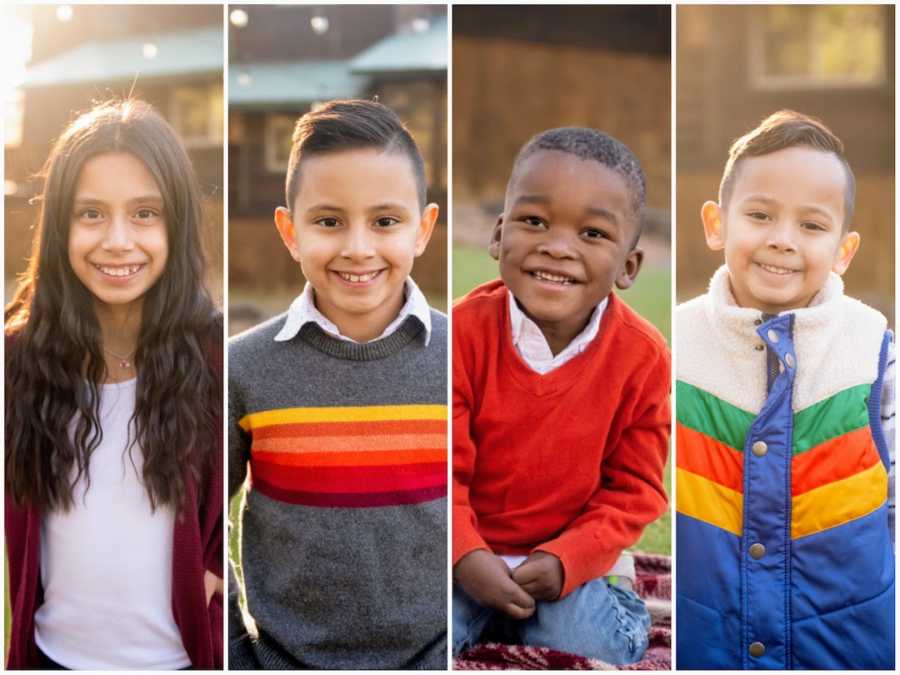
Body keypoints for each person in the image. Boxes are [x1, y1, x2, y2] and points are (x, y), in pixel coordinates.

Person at [5, 99, 224, 669]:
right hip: (53, 658)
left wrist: (214, 567)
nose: (118, 241)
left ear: (175, 223)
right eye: (92, 214)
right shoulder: (18, 359)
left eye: (145, 213)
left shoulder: (218, 357)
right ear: (60, 227)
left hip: (176, 659)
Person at [228, 99, 447, 669]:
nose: (357, 248)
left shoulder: (464, 357)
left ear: (423, 229)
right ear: (290, 231)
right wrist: (235, 649)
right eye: (328, 222)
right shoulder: (241, 369)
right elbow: (193, 524)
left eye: (385, 221)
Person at [675, 110, 894, 669]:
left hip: (846, 647)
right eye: (760, 214)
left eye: (812, 226)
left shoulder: (873, 350)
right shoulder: (677, 347)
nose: (782, 240)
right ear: (716, 223)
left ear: (844, 250)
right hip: (707, 646)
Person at [452, 127, 670, 664]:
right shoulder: (458, 335)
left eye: (593, 233)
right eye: (534, 222)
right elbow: (439, 472)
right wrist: (465, 556)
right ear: (500, 235)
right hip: (464, 555)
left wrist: (565, 561)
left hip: (567, 565)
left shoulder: (643, 358)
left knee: (584, 644)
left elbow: (634, 491)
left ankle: (596, 612)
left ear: (628, 266)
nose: (558, 246)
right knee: (414, 630)